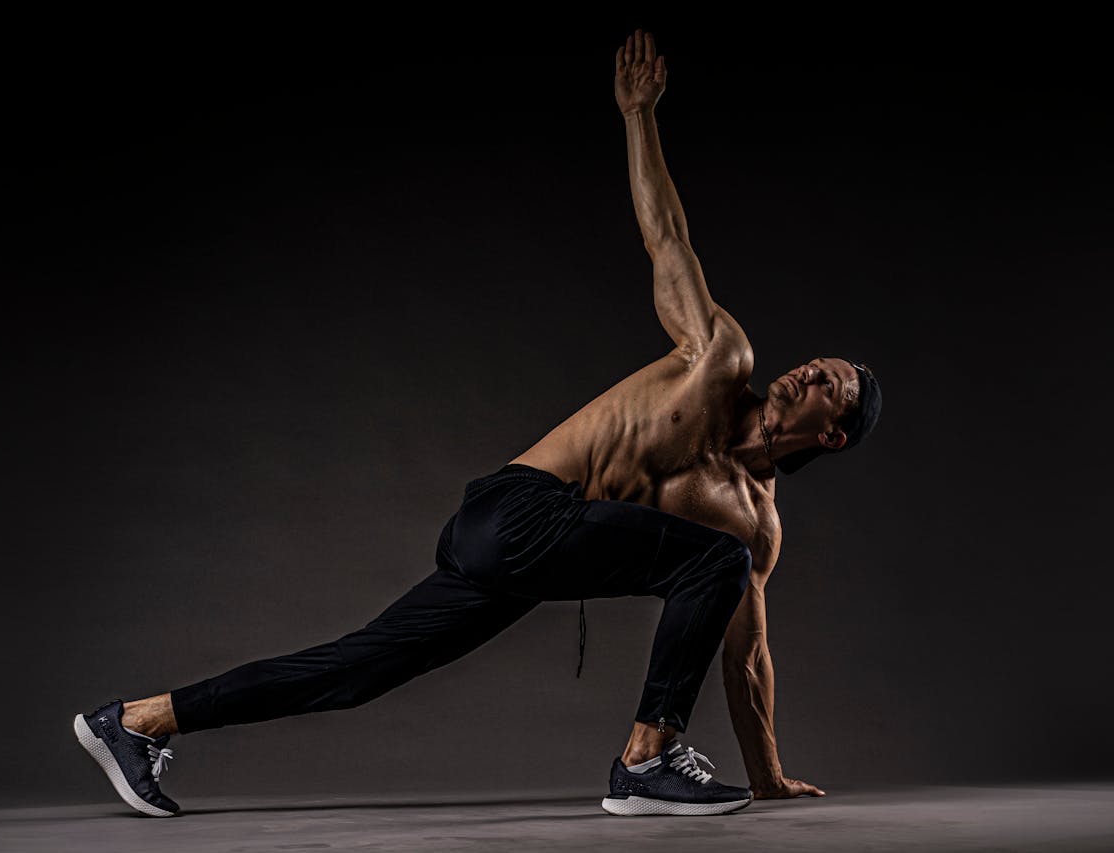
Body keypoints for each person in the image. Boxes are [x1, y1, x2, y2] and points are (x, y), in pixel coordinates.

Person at [73, 28, 882, 818]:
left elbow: (746, 656)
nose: (810, 368)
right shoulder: (717, 357)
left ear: (833, 431)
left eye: (830, 383)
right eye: (819, 362)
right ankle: (647, 758)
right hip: (518, 506)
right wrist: (638, 115)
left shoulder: (753, 522)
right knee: (715, 561)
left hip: (520, 555)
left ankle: (137, 722)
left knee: (360, 669)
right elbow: (665, 238)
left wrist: (768, 773)